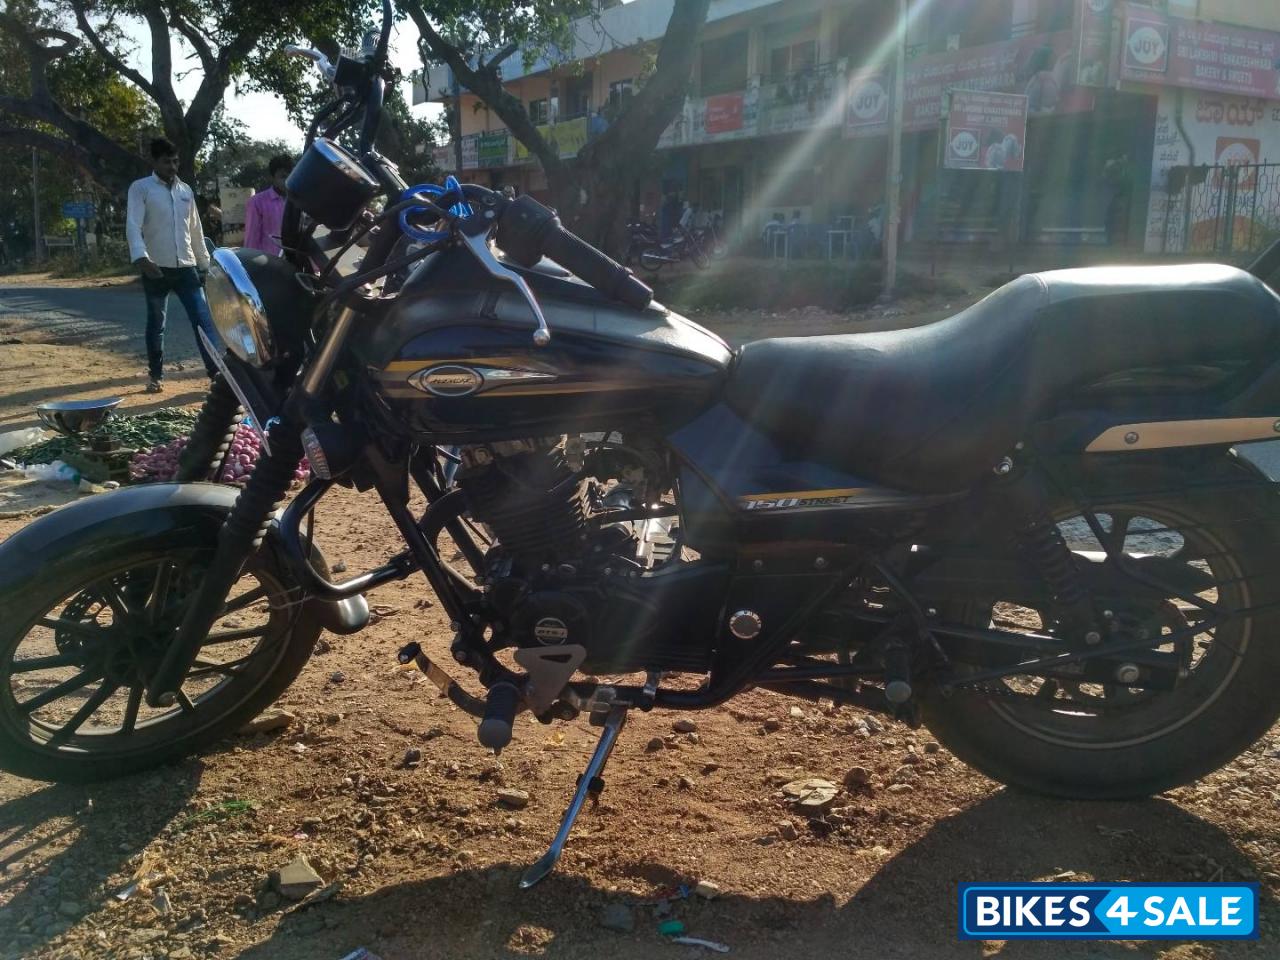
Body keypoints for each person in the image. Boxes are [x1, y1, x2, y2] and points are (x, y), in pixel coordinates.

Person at [126, 137, 219, 393]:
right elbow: (133, 225)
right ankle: (156, 375)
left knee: (202, 320)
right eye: (167, 161)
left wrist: (204, 264)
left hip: (186, 267)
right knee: (157, 323)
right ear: (153, 161)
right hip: (156, 267)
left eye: (175, 161)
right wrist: (141, 258)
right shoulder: (141, 189)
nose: (172, 166)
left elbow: (195, 230)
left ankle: (216, 374)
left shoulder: (185, 191)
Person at [243, 155, 294, 257]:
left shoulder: (299, 202)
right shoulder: (257, 202)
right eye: (283, 177)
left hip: (295, 264)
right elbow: (251, 240)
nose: (287, 180)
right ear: (272, 177)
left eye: (291, 175)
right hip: (269, 264)